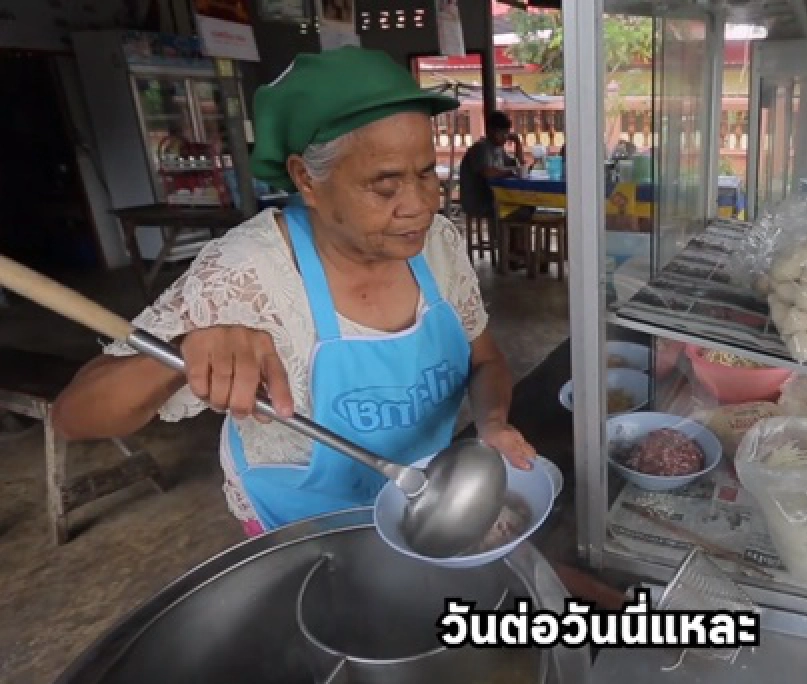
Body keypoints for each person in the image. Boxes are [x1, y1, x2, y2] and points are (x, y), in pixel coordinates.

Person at [51, 48, 535, 537]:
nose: (421, 206)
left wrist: (492, 423)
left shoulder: (438, 247)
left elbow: (485, 359)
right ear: (307, 178)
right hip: (302, 530)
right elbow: (74, 416)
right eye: (385, 185)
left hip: (421, 503)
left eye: (428, 173)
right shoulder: (247, 271)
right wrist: (179, 355)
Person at [458, 111, 526, 221]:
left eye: (507, 133)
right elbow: (488, 173)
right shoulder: (481, 148)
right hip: (479, 202)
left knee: (525, 207)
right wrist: (513, 171)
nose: (505, 137)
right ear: (490, 130)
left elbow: (519, 163)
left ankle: (511, 237)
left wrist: (517, 142)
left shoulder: (498, 148)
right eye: (502, 133)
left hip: (494, 198)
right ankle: (508, 238)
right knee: (523, 211)